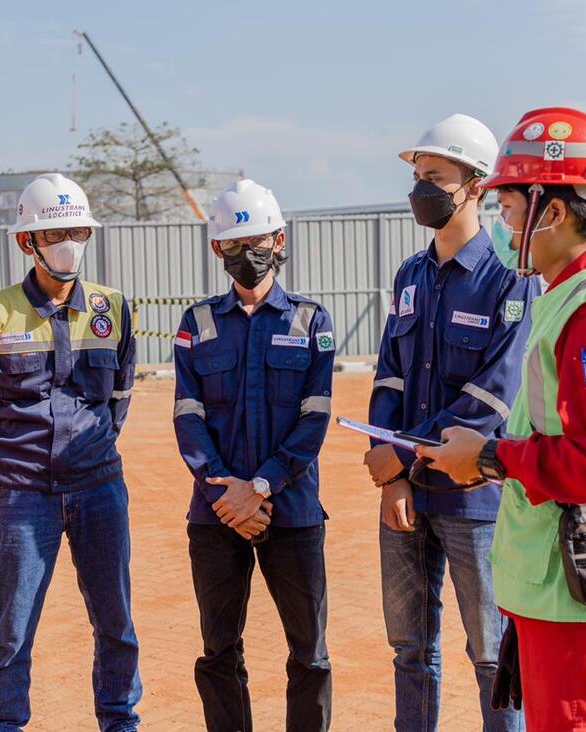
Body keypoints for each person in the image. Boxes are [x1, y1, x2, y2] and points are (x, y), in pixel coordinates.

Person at [417, 107, 586, 732]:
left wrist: (490, 457)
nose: (506, 229)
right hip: (567, 582)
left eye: (510, 211)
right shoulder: (581, 292)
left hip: (580, 590)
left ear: (555, 211)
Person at [365, 114, 536, 731]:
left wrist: (403, 452)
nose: (421, 188)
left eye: (435, 176)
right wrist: (392, 475)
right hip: (407, 496)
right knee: (410, 652)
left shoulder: (511, 280)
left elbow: (494, 395)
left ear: (477, 187)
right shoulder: (410, 275)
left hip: (475, 500)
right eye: (418, 176)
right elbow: (389, 374)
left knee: (492, 655)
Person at [0, 173, 141, 732]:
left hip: (99, 486)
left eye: (78, 232)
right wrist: (21, 456)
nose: (70, 244)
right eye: (56, 233)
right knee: (13, 625)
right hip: (24, 494)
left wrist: (90, 449)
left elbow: (119, 398)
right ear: (26, 241)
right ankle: (3, 725)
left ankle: (119, 721)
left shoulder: (113, 307)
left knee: (115, 620)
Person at [173, 178, 336, 731]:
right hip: (216, 513)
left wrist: (261, 486)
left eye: (258, 241)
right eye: (234, 245)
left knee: (309, 653)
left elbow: (314, 418)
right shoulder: (196, 323)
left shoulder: (311, 320)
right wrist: (226, 491)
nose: (247, 254)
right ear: (217, 249)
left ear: (279, 240)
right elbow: (188, 416)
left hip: (292, 510)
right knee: (219, 651)